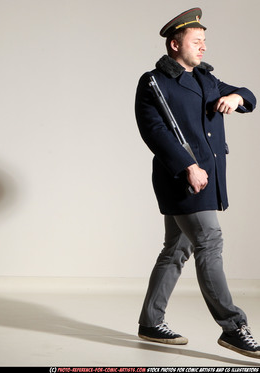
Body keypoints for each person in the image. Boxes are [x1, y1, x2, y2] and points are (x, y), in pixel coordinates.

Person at [134, 8, 260, 359]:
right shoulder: (154, 82)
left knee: (176, 249)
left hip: (209, 177)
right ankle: (233, 327)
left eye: (205, 41)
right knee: (209, 242)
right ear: (175, 44)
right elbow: (155, 132)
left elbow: (247, 94)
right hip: (183, 179)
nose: (203, 47)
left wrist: (236, 98)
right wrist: (187, 165)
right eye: (196, 41)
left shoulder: (206, 79)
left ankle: (150, 321)